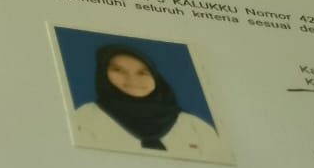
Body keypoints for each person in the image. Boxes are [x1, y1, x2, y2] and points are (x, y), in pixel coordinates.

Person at [72, 43, 226, 160]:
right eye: (118, 70)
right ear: (103, 75)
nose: (132, 79)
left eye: (142, 72)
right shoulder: (85, 118)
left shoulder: (195, 126)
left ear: (155, 78)